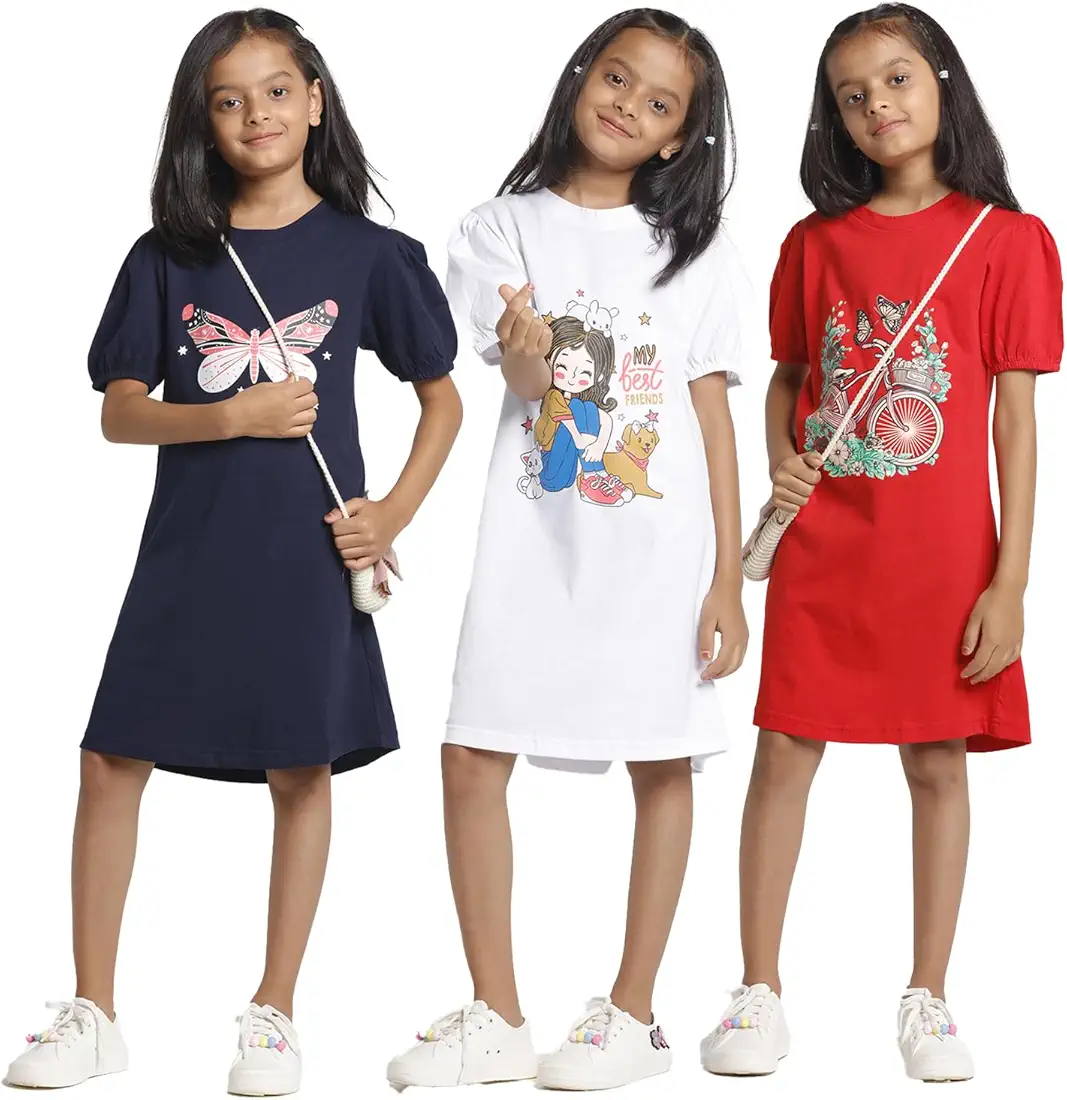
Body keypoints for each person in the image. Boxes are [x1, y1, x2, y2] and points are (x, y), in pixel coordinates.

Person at [4, 10, 460, 1096]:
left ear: (315, 100)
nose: (256, 113)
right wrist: (230, 416)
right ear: (201, 122)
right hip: (187, 553)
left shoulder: (373, 255)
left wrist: (391, 514)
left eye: (276, 90)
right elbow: (119, 412)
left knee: (300, 768)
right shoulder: (166, 256)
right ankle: (94, 1010)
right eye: (228, 99)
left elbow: (441, 399)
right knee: (110, 758)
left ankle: (274, 1011)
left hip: (307, 557)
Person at [387, 8, 751, 1092]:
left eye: (659, 102)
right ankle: (496, 1014)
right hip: (531, 545)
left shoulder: (695, 250)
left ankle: (632, 1013)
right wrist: (526, 354)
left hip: (657, 553)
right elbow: (522, 380)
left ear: (679, 137)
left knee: (662, 757)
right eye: (616, 77)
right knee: (471, 751)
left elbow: (711, 415)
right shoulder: (498, 227)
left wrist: (727, 574)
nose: (627, 106)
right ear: (580, 73)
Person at [701, 3, 1062, 1084]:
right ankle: (757, 988)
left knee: (937, 760)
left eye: (896, 79)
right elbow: (787, 380)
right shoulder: (812, 244)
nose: (876, 106)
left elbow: (1012, 423)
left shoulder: (1008, 241)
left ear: (941, 82)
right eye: (850, 95)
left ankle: (928, 994)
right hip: (824, 549)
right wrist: (781, 460)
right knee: (783, 750)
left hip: (942, 557)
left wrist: (1010, 580)